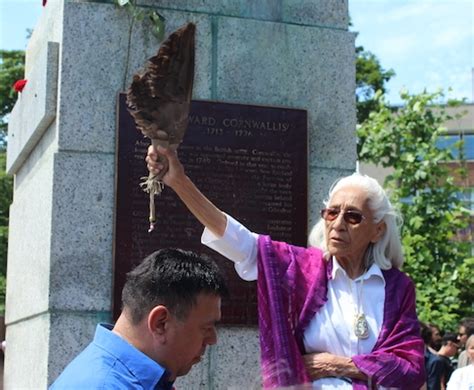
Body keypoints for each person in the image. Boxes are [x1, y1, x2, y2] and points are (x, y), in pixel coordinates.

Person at [146, 146, 425, 389]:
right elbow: (238, 239)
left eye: (353, 216)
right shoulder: (302, 270)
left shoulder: (398, 288)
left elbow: (410, 368)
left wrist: (336, 365)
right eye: (332, 212)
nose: (338, 223)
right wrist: (179, 181)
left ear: (377, 231)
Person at [50, 248, 228, 389]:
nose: (212, 339)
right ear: (161, 323)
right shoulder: (103, 385)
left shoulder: (130, 379)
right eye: (206, 328)